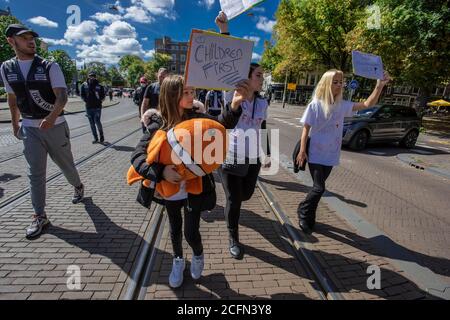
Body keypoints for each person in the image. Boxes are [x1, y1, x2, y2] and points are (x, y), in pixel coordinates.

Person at [130, 74, 243, 288]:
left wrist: (235, 105)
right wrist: (161, 172)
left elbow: (219, 125)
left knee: (191, 231)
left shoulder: (197, 117)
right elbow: (137, 156)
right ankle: (178, 260)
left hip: (195, 188)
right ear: (172, 95)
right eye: (186, 92)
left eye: (193, 92)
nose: (192, 96)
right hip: (170, 190)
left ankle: (198, 255)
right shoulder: (157, 124)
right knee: (174, 228)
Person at [0, 24, 85, 239]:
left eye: (32, 37)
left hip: (55, 126)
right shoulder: (7, 68)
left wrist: (51, 117)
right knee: (35, 173)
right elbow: (12, 99)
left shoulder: (49, 66)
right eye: (24, 38)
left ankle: (77, 186)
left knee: (66, 165)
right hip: (30, 128)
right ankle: (39, 216)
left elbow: (62, 97)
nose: (31, 41)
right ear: (12, 41)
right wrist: (15, 124)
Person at [295, 69, 391, 234]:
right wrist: (302, 150)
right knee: (319, 188)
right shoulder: (315, 105)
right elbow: (305, 129)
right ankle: (304, 212)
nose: (340, 85)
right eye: (336, 82)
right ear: (326, 84)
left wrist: (379, 86)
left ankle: (309, 215)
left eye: (341, 82)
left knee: (318, 189)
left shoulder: (342, 105)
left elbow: (367, 104)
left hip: (331, 154)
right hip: (316, 153)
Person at [215, 11, 271, 260]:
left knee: (246, 195)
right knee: (234, 200)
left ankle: (234, 217)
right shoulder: (232, 94)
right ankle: (233, 236)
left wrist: (266, 153)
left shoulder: (264, 102)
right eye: (259, 75)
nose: (262, 78)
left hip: (252, 159)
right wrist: (224, 29)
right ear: (247, 77)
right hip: (231, 155)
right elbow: (230, 59)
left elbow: (263, 127)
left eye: (262, 75)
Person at [80, 72, 106, 144]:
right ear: (88, 77)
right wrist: (86, 100)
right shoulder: (84, 85)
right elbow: (82, 94)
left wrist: (100, 101)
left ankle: (101, 136)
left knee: (97, 121)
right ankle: (95, 138)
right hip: (88, 107)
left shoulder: (99, 86)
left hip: (97, 107)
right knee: (91, 124)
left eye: (93, 76)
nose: (92, 78)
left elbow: (103, 95)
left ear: (95, 77)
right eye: (90, 76)